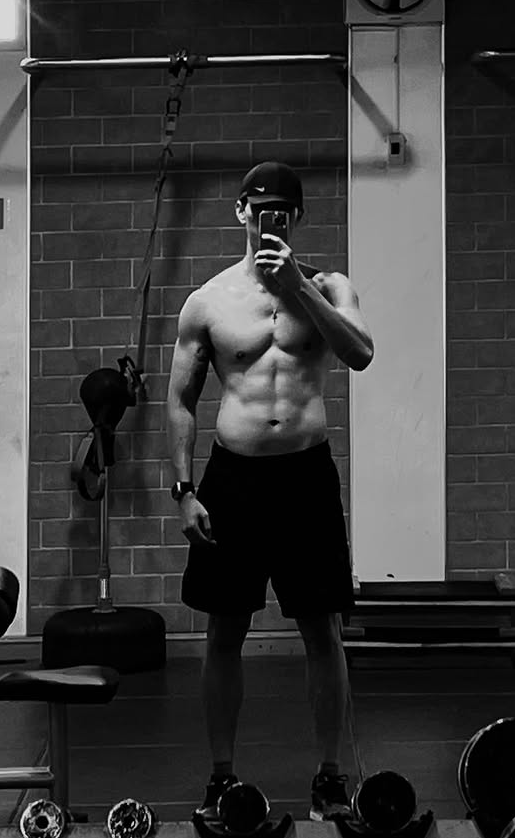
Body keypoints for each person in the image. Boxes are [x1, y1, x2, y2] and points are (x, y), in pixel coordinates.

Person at [166, 161, 374, 822]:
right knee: (224, 631)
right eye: (260, 210)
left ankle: (330, 777)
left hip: (306, 477)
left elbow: (361, 353)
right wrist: (184, 489)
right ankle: (221, 777)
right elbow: (179, 399)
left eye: (282, 211)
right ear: (241, 212)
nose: (269, 221)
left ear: (299, 216)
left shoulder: (329, 285)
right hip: (234, 479)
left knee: (323, 630)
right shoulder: (207, 301)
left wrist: (298, 288)